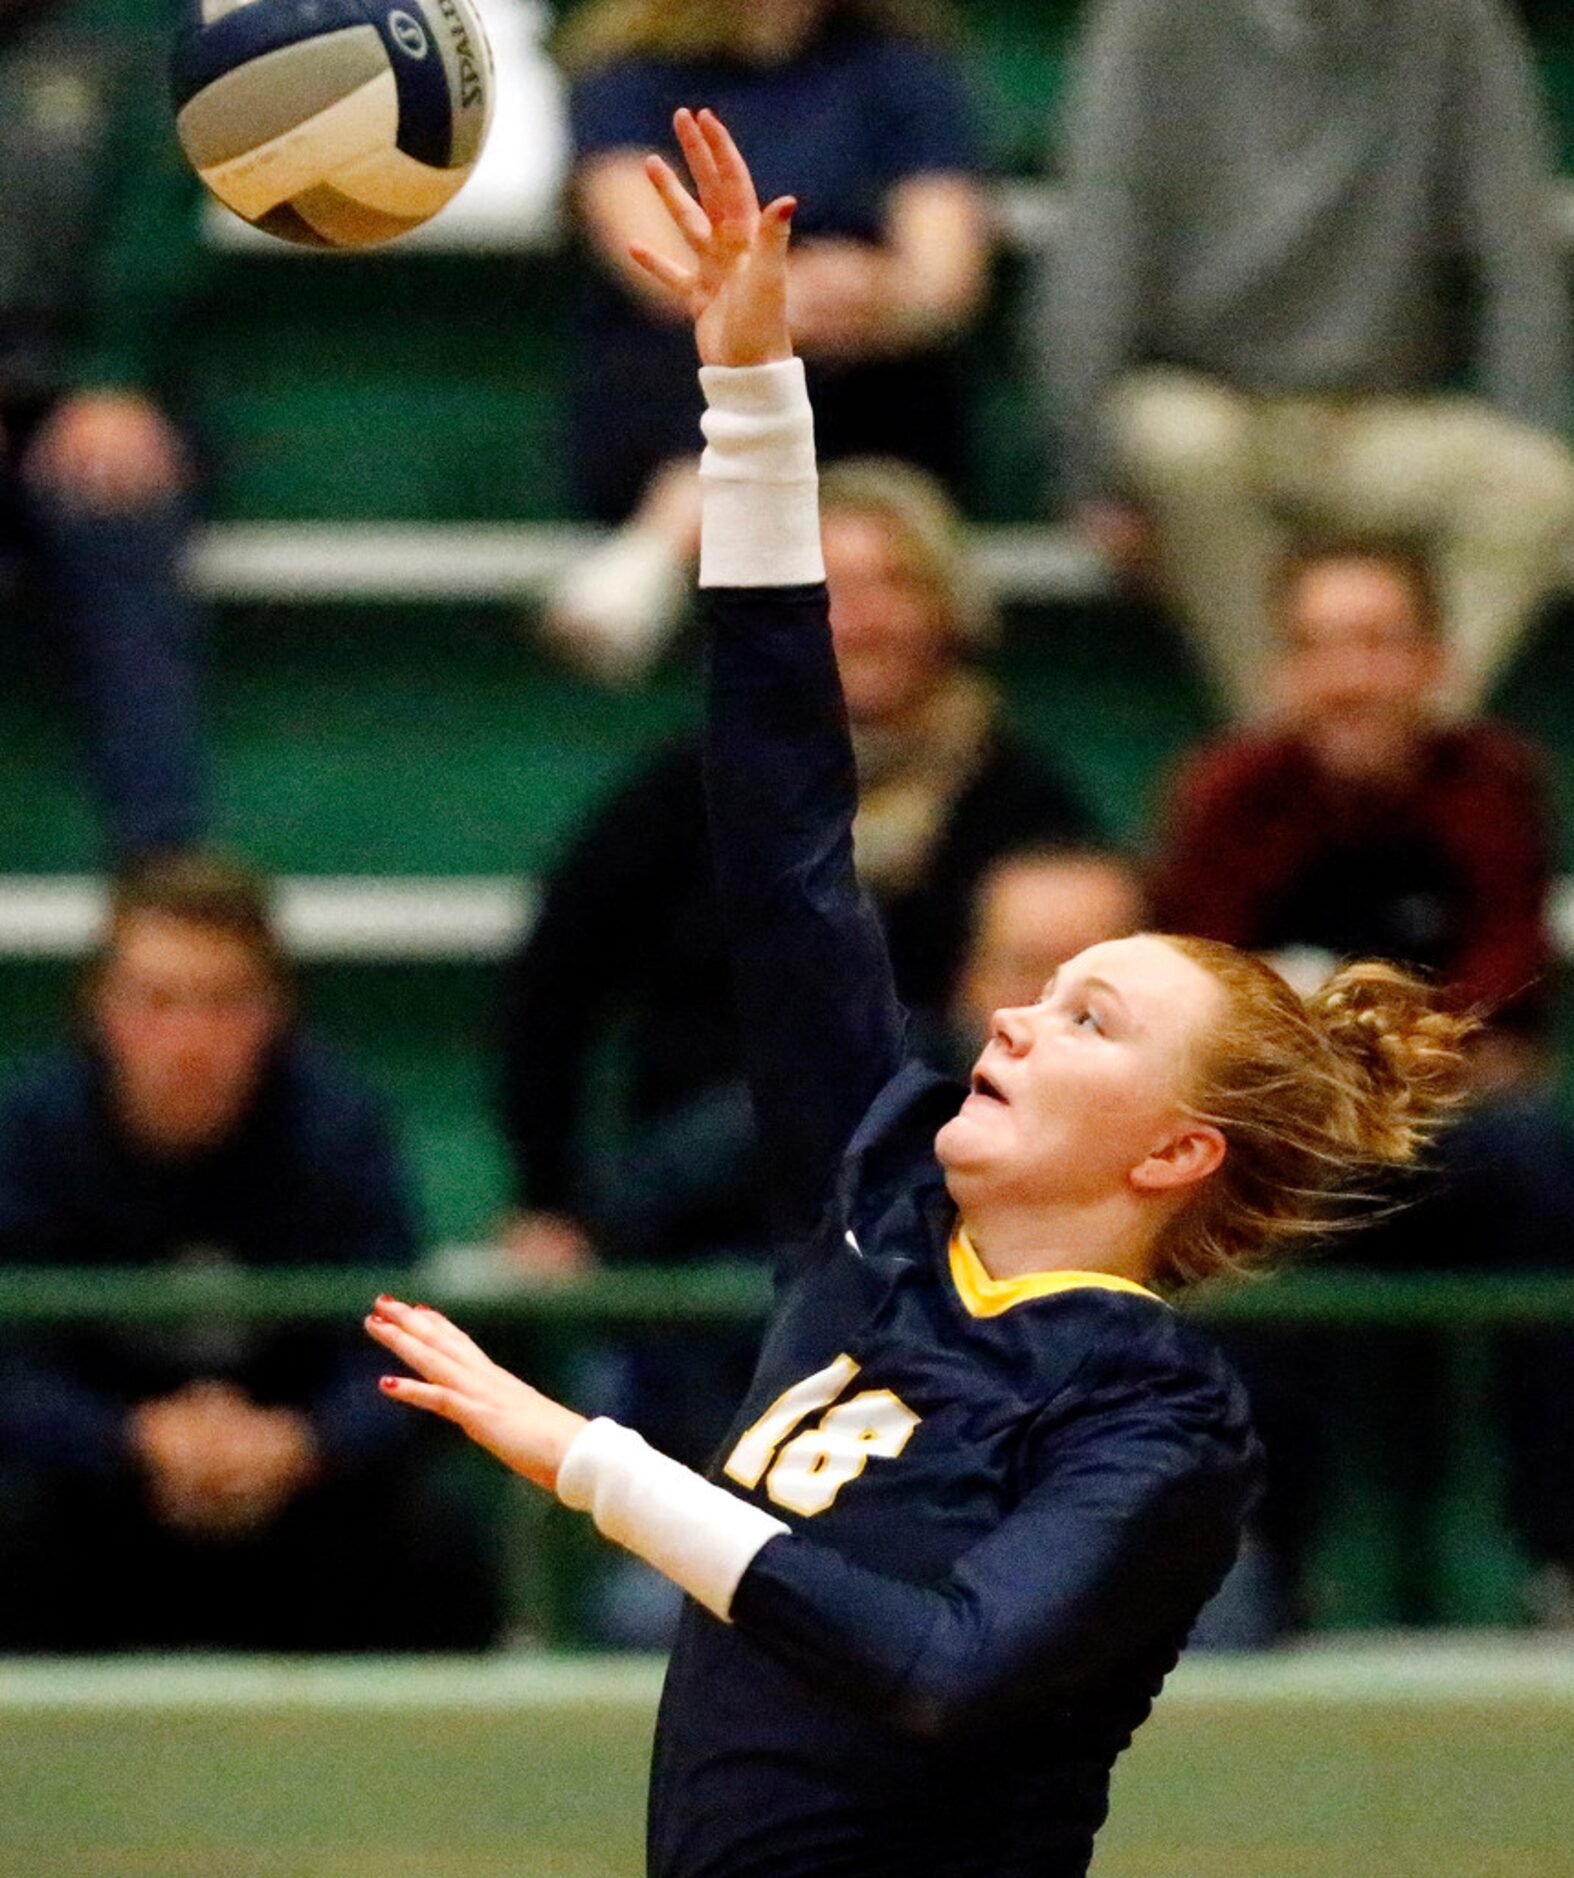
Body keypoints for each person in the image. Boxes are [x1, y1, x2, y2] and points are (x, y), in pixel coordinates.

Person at [369, 113, 1473, 1875]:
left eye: (1090, 1018)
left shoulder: (1145, 1416)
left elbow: (951, 1672)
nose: (1018, 1017)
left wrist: (587, 1457)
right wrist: (747, 398)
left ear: (1177, 1149)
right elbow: (782, 825)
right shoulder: (874, 1202)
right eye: (1039, 991)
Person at [500, 454, 1094, 1283]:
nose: (863, 620)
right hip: (699, 1223)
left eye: (896, 584)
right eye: (828, 591)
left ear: (949, 607)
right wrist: (550, 1205)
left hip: (941, 1216)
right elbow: (550, 992)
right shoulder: (692, 790)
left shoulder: (1019, 802)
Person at [1151, 545, 1574, 1625]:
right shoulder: (1226, 795)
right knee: (1232, 1202)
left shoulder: (1492, 784)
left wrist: (1362, 1052)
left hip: (1452, 1135)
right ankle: (1261, 1569)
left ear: (1431, 662)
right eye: (1317, 648)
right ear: (1283, 671)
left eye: (1374, 645)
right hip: (1288, 1138)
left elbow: (1502, 983)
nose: (1347, 679)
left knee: (1532, 1159)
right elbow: (1208, 995)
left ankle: (1555, 1561)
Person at [0, 853, 499, 1651]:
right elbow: (14, 1366)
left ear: (274, 1012)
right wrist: (127, 1440)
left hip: (301, 1496)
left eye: (222, 1002)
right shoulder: (31, 1135)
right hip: (92, 1495)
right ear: (100, 1008)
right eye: (156, 1001)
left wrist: (302, 1445)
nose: (188, 1038)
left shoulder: (338, 1131)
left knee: (434, 1529)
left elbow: (399, 1353)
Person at [1045, 0, 1574, 717]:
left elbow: (1517, 261)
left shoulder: (1462, 23)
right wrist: (1091, 477)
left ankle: (1408, 743)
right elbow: (1098, 253)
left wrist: (1532, 422)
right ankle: (1282, 744)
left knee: (1538, 482)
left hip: (1388, 420)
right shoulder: (1148, 24)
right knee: (1176, 441)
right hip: (1213, 405)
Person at [544, 0, 990, 681]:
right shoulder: (627, 78)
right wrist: (766, 307)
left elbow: (944, 278)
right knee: (725, 350)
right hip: (684, 378)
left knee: (807, 367)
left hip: (866, 386)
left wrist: (875, 294)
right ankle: (687, 505)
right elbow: (655, 260)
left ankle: (668, 533)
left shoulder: (901, 70)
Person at [0, 0, 209, 862]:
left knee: (115, 496)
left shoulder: (143, 31)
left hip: (93, 383)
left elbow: (156, 221)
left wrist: (114, 376)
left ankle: (161, 875)